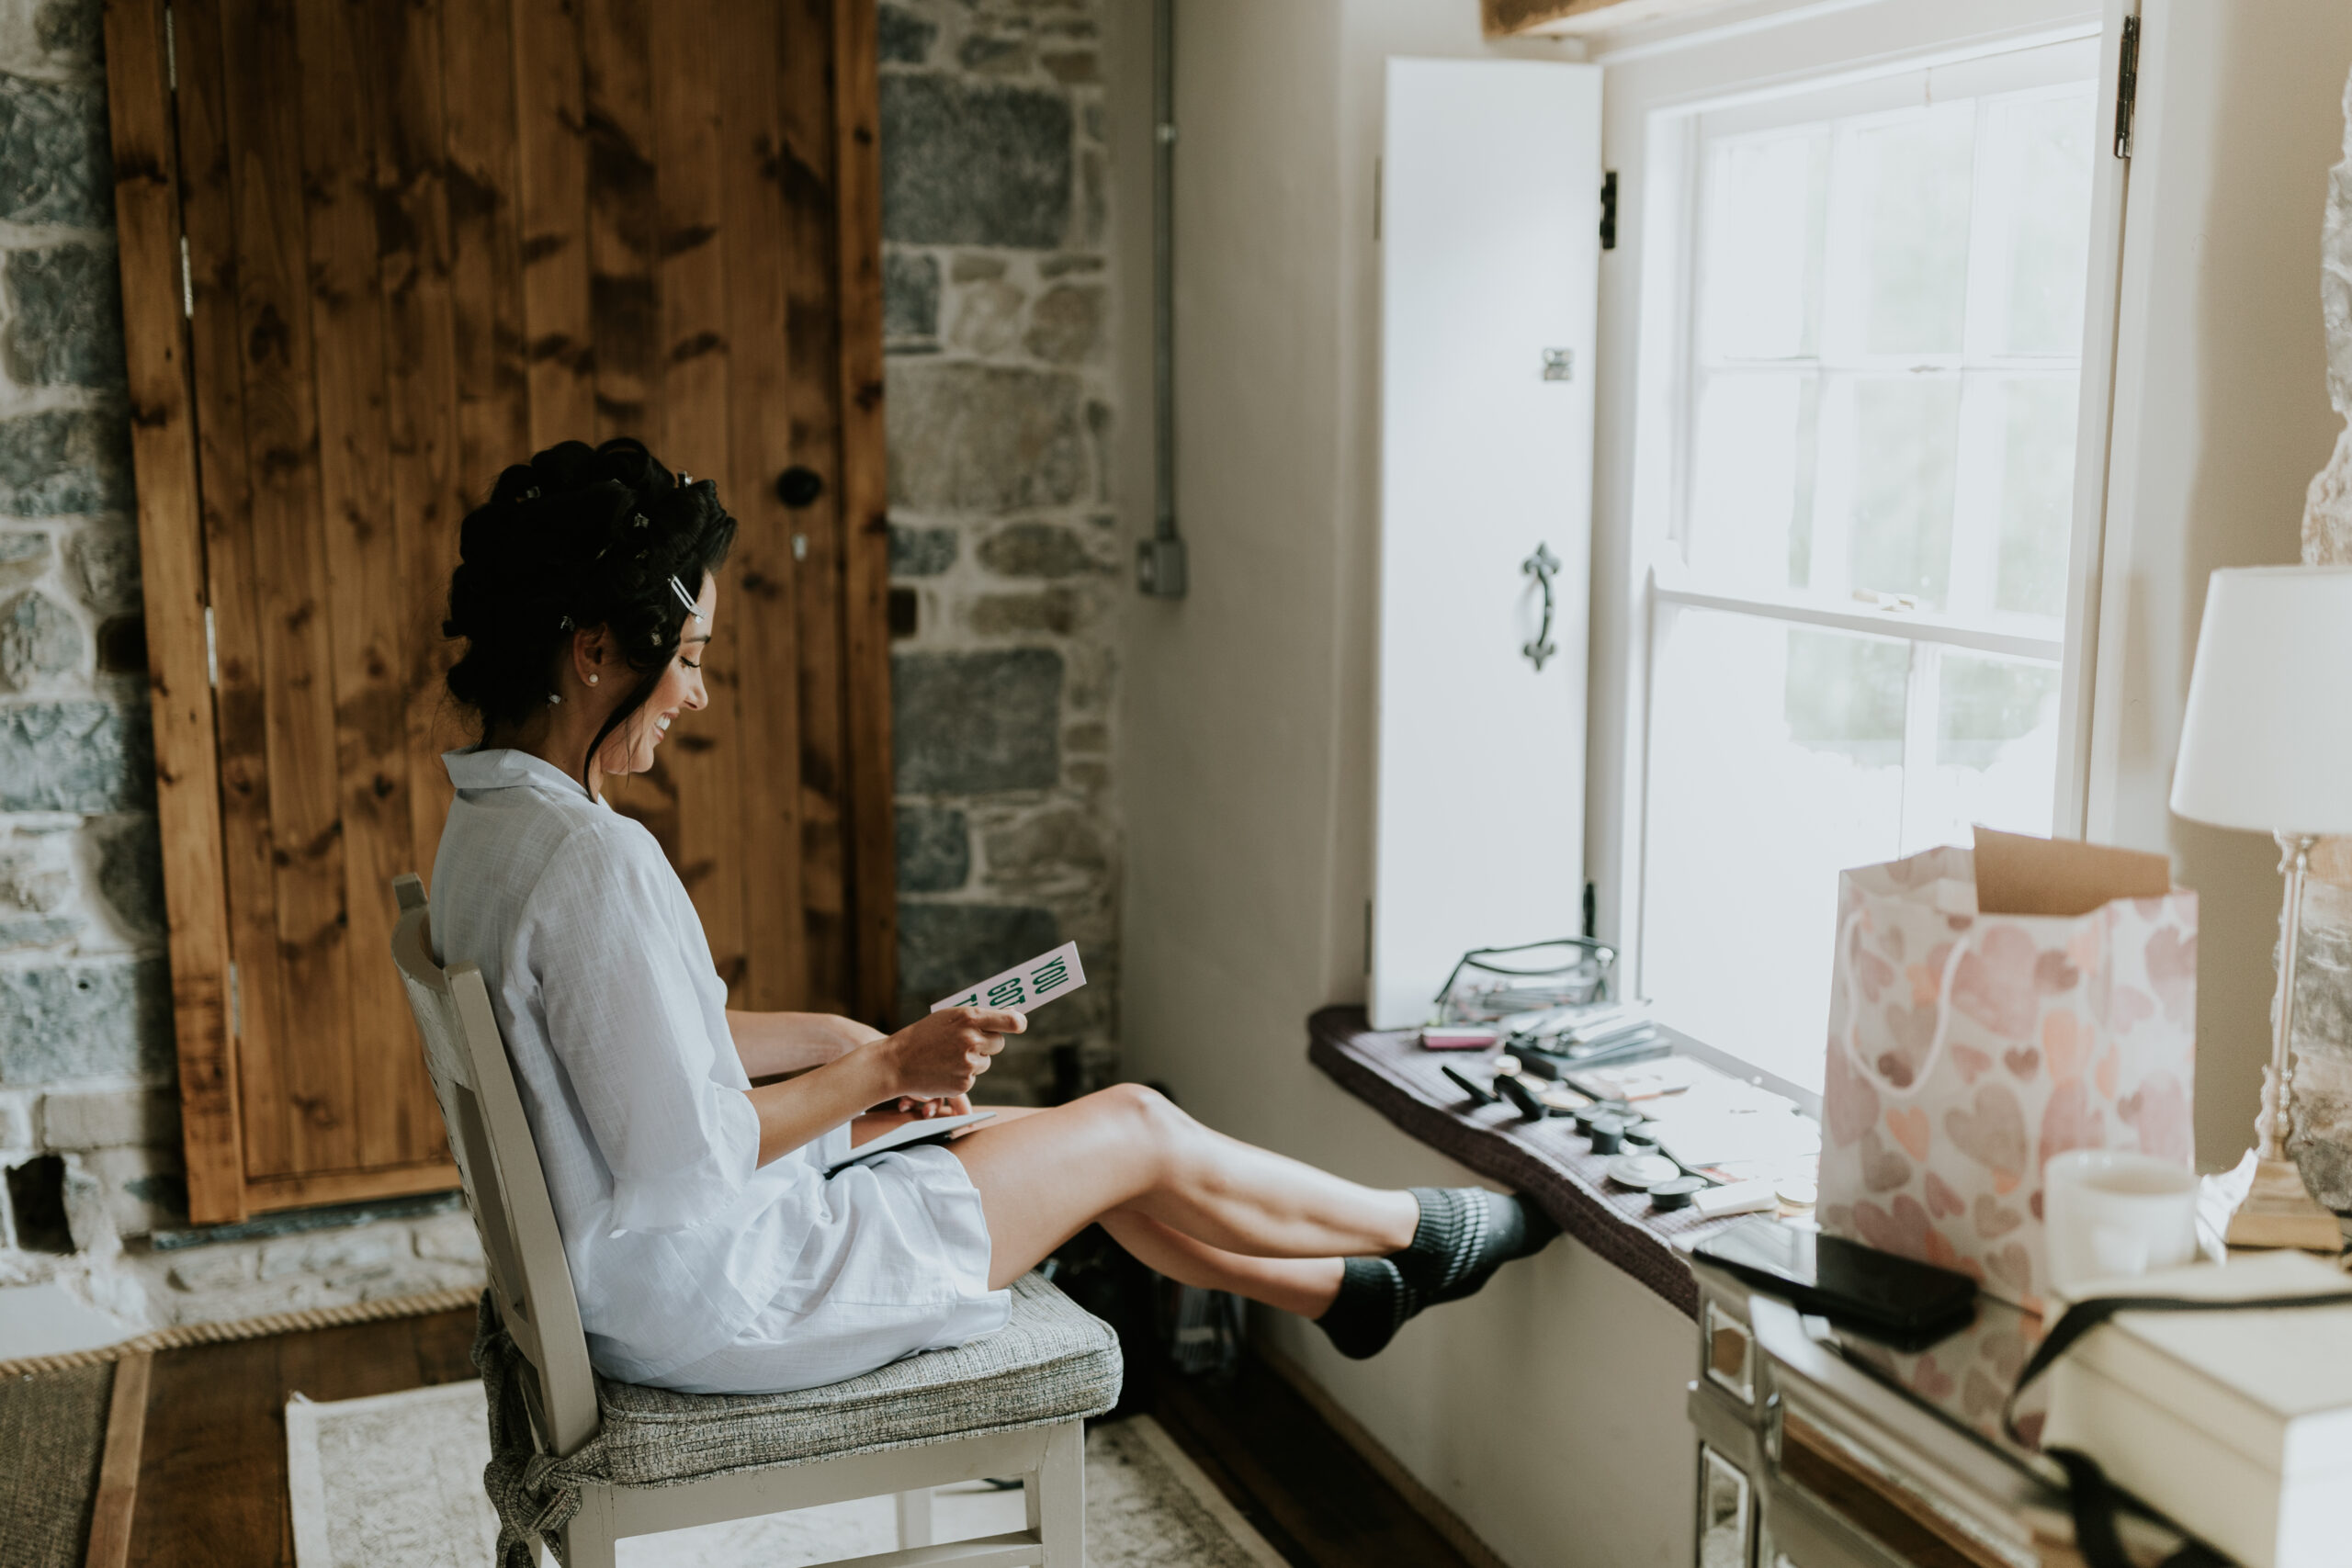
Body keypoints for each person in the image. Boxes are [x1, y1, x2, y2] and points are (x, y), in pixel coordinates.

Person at [429, 438, 1555, 1396]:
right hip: (713, 1289)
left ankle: (1336, 1291)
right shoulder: (594, 859)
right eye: (685, 660)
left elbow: (632, 1056)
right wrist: (882, 1073)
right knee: (1131, 1123)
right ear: (590, 653)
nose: (695, 695)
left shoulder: (488, 827)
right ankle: (1419, 1230)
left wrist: (837, 1042)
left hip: (634, 1268)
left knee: (1015, 1137)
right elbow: (683, 1154)